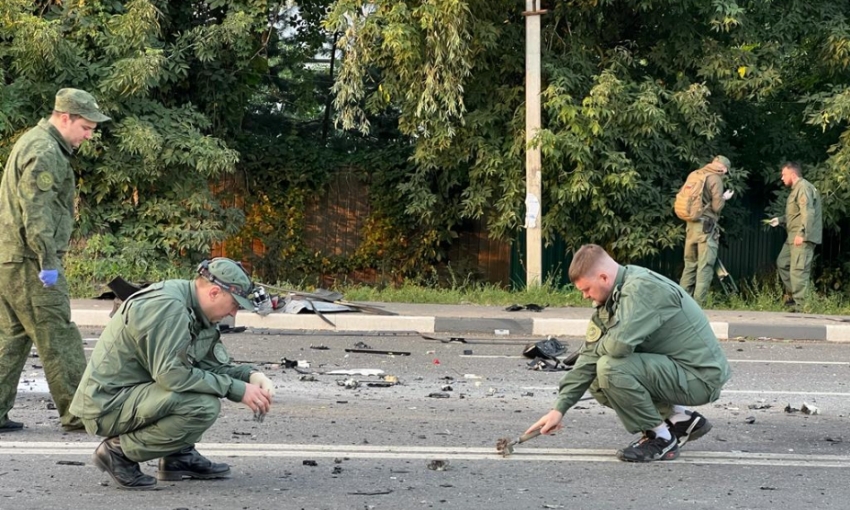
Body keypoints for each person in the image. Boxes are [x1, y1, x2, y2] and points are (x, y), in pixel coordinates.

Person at [69, 258, 276, 490]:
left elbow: (209, 367)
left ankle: (178, 456)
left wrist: (251, 376)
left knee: (200, 391)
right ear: (215, 292)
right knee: (201, 406)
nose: (234, 312)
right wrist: (235, 389)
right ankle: (118, 453)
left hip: (134, 395)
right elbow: (172, 375)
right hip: (107, 405)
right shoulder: (169, 307)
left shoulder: (197, 310)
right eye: (235, 304)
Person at [526, 244, 731, 462]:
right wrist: (559, 409)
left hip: (700, 377)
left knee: (610, 367)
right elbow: (588, 356)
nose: (585, 296)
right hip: (676, 370)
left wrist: (597, 349)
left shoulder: (642, 290)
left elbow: (617, 347)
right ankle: (679, 419)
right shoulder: (613, 297)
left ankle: (661, 438)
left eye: (586, 289)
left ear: (604, 278)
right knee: (596, 375)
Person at [0, 88, 111, 432]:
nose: (89, 135)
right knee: (58, 335)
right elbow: (37, 211)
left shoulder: (34, 142)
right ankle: (81, 413)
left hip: (12, 258)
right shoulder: (46, 150)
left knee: (12, 337)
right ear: (65, 118)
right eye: (86, 127)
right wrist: (47, 261)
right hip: (31, 261)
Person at [679, 155, 734, 305]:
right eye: (725, 171)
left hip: (690, 225)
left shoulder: (695, 174)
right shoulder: (715, 179)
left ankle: (682, 304)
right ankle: (698, 305)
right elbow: (717, 207)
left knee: (690, 264)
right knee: (705, 266)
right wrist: (723, 198)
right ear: (723, 168)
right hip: (706, 227)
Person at [766, 162, 822, 309]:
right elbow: (795, 213)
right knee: (783, 262)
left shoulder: (803, 188)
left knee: (798, 271)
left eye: (784, 175)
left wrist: (802, 234)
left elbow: (808, 213)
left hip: (800, 238)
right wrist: (780, 220)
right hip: (792, 237)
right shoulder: (796, 189)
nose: (782, 178)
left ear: (793, 174)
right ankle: (793, 296)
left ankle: (802, 307)